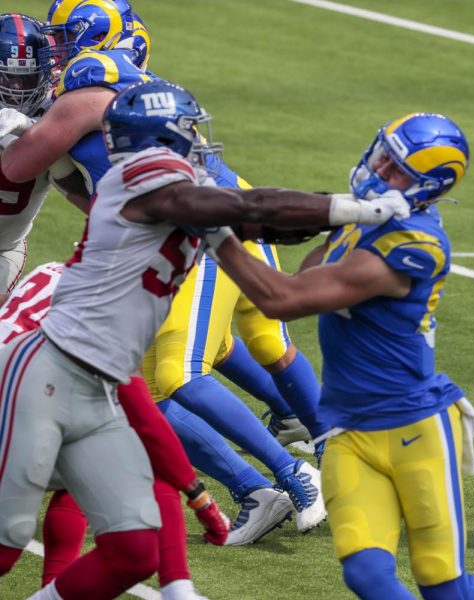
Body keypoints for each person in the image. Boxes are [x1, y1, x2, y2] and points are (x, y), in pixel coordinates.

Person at [0, 78, 409, 600]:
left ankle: (176, 586)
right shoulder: (146, 178)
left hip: (103, 370)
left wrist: (335, 227)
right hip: (49, 374)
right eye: (186, 129)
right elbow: (257, 208)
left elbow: (262, 228)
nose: (197, 138)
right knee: (9, 541)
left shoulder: (168, 186)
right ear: (157, 138)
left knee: (132, 549)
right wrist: (358, 210)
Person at [2, 0, 323, 542]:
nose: (50, 52)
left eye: (60, 38)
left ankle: (297, 474)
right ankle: (277, 463)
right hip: (188, 228)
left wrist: (27, 131)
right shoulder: (120, 79)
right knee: (160, 381)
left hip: (198, 233)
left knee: (175, 373)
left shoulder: (88, 86)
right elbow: (95, 193)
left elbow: (18, 164)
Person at [197, 112, 474, 600]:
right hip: (345, 431)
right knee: (365, 575)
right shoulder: (371, 216)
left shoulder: (416, 242)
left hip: (412, 429)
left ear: (428, 187)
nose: (379, 170)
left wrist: (215, 234)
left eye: (396, 168)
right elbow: (311, 264)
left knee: (445, 587)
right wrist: (311, 214)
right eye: (382, 154)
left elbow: (284, 300)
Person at [0, 262, 231, 600]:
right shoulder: (113, 311)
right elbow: (146, 422)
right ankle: (177, 587)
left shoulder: (52, 271)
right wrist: (201, 499)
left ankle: (56, 588)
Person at [0, 12, 86, 301]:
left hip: (3, 248)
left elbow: (83, 196)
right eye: (9, 79)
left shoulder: (57, 114)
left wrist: (40, 138)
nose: (18, 90)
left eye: (27, 79)